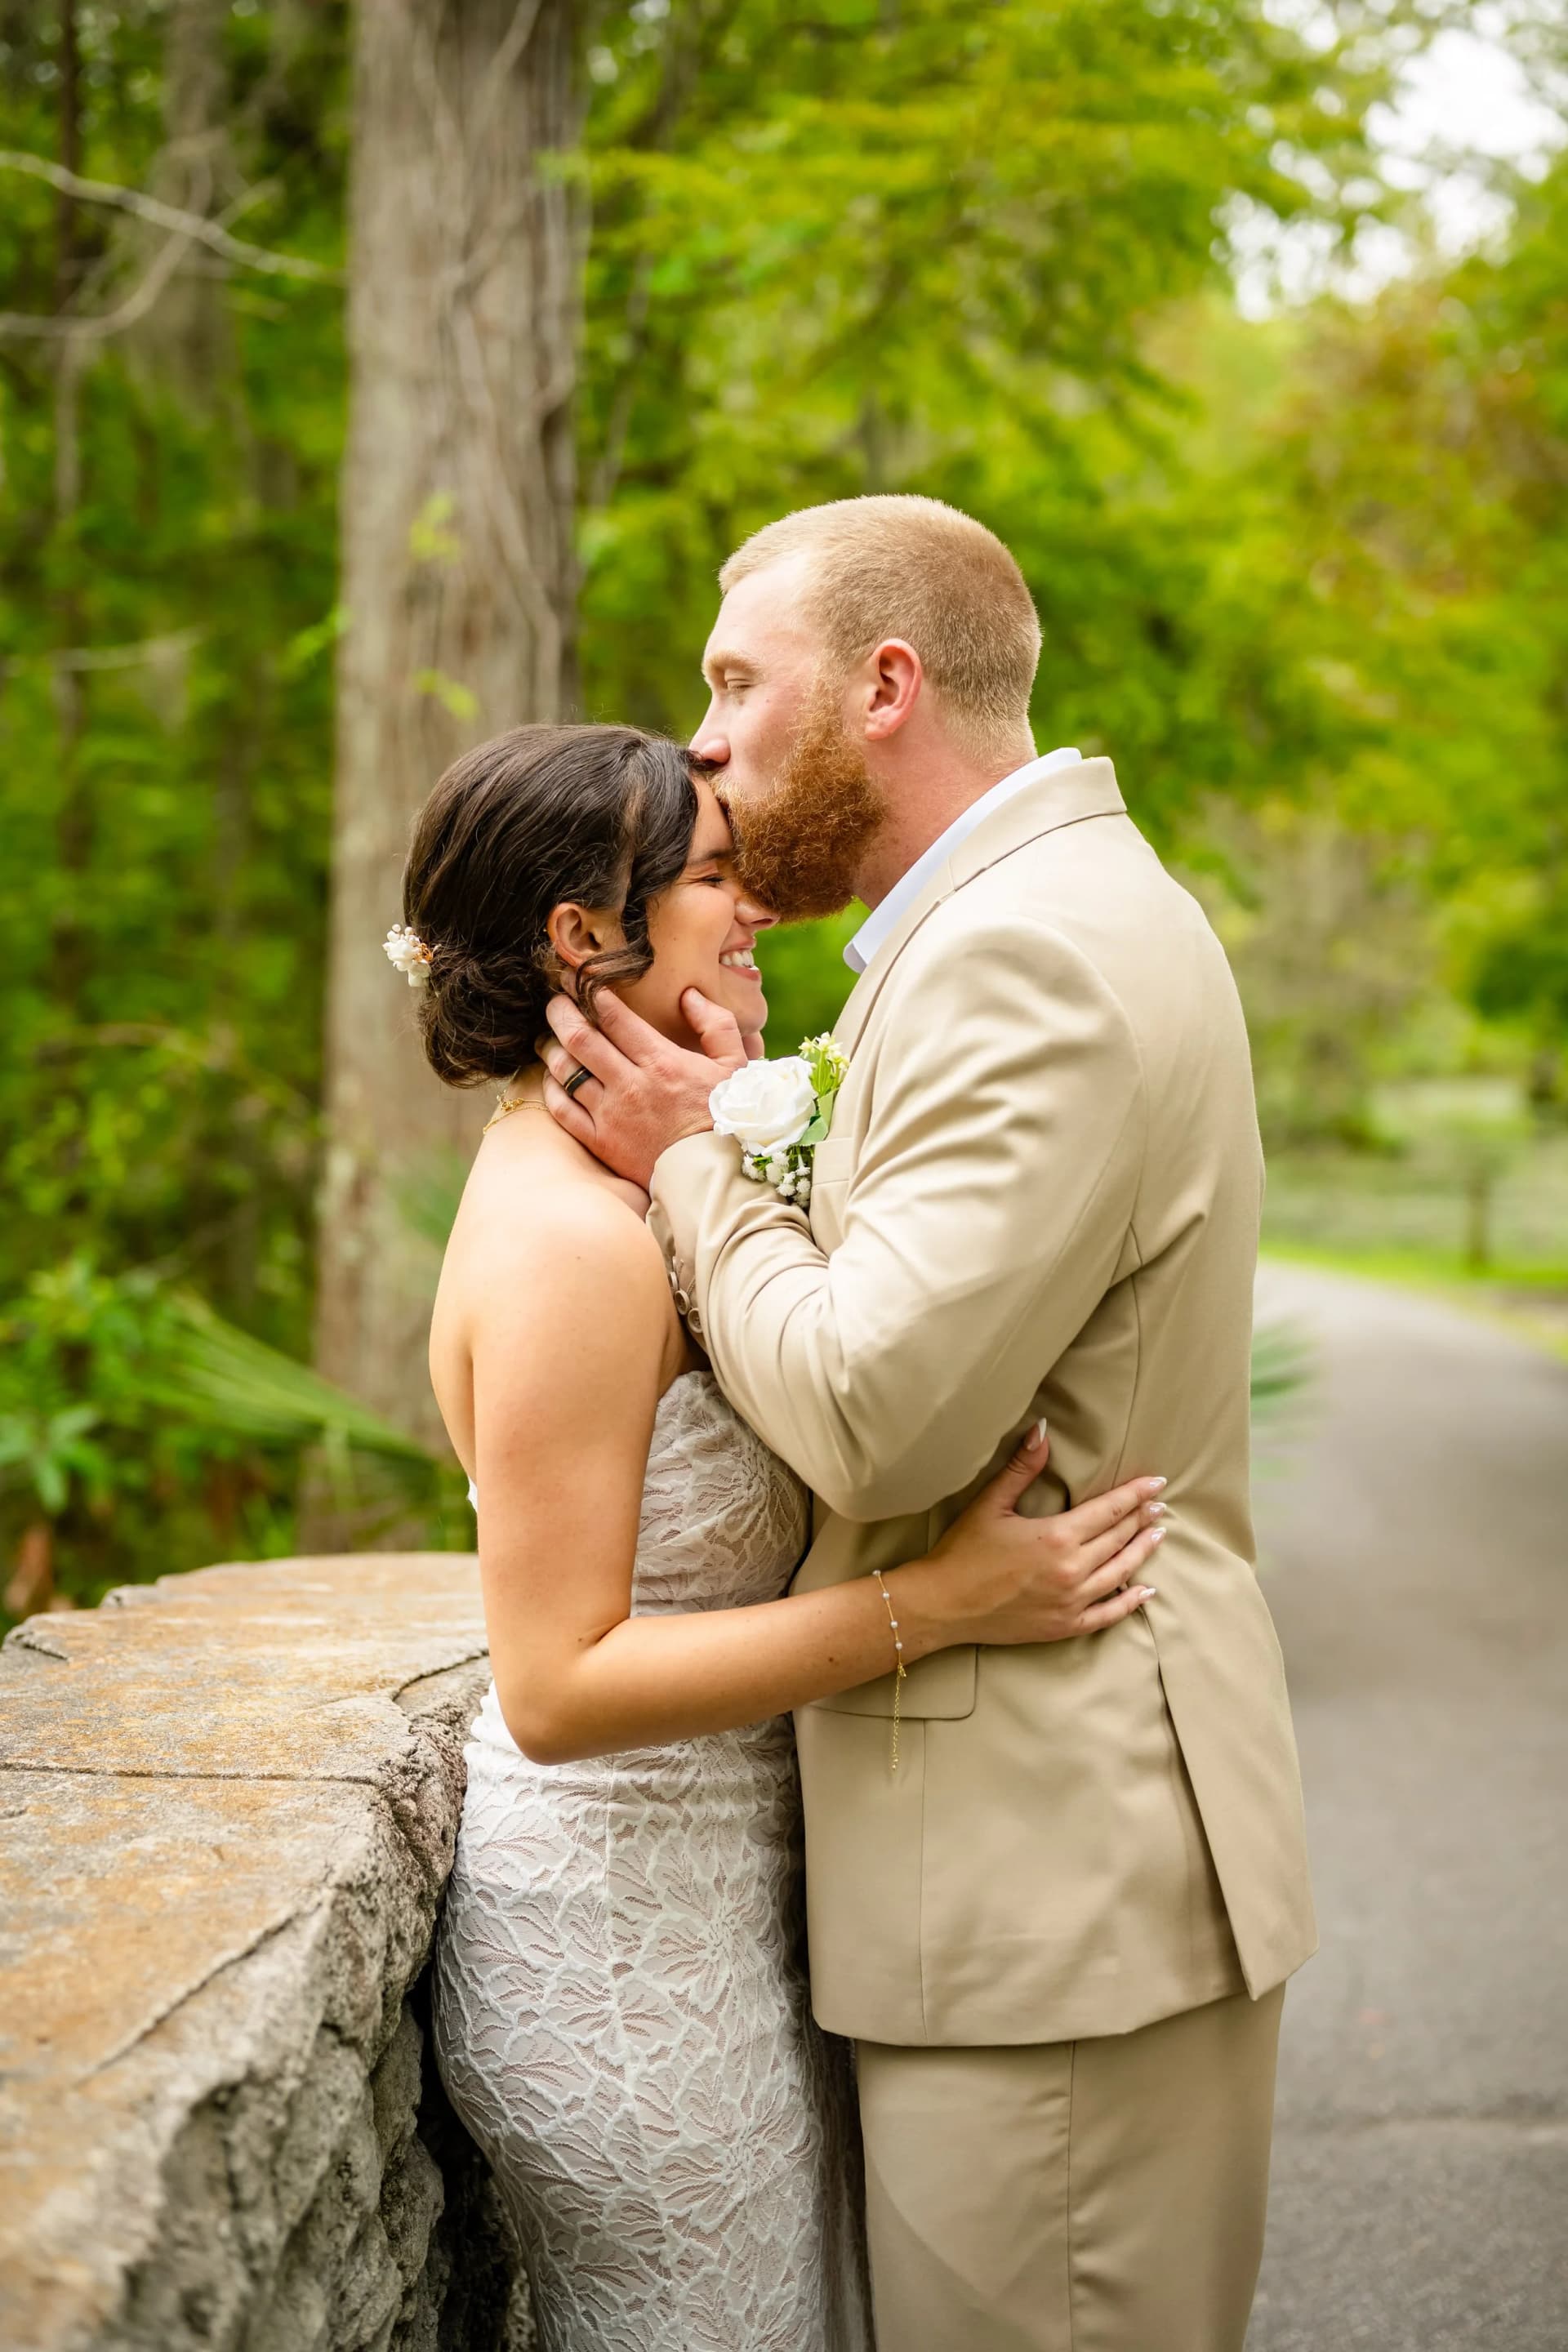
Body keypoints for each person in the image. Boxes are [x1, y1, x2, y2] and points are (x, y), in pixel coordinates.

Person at [538, 495, 1319, 2352]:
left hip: (1050, 1877)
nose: (705, 743)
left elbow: (876, 1415)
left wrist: (694, 1167)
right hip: (1034, 1868)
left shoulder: (1021, 957)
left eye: (739, 684)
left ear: (885, 687)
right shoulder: (1023, 919)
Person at [401, 722, 1169, 2352]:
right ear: (582, 935)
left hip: (723, 1923)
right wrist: (937, 1606)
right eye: (713, 878)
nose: (756, 908)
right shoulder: (568, 1248)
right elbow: (556, 1685)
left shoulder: (633, 1191)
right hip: (627, 1966)